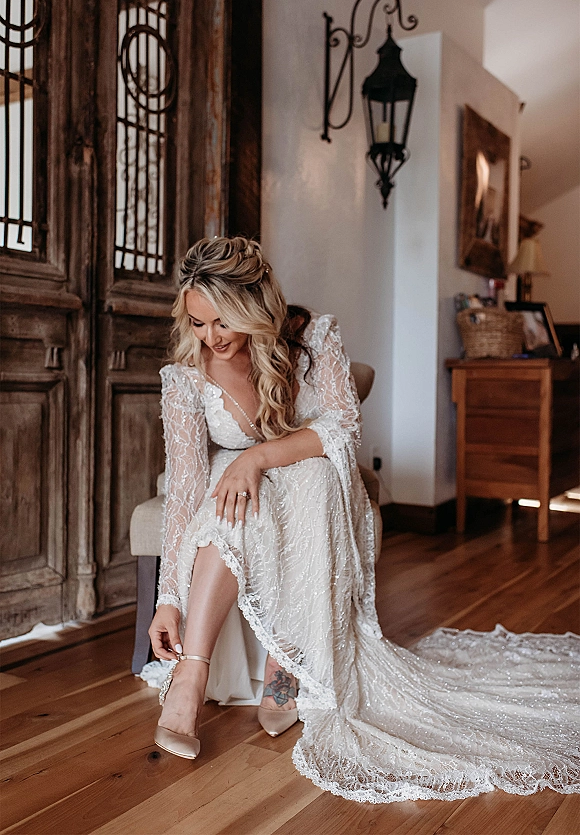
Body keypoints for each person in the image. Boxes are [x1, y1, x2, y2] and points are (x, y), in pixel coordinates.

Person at [148, 236, 579, 804]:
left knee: (315, 476)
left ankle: (288, 661)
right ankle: (191, 676)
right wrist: (167, 598)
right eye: (199, 324)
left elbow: (342, 432)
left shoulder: (312, 337)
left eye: (223, 320)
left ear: (255, 303)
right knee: (227, 493)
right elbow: (183, 491)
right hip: (244, 503)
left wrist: (256, 456)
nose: (212, 338)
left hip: (316, 489)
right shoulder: (186, 379)